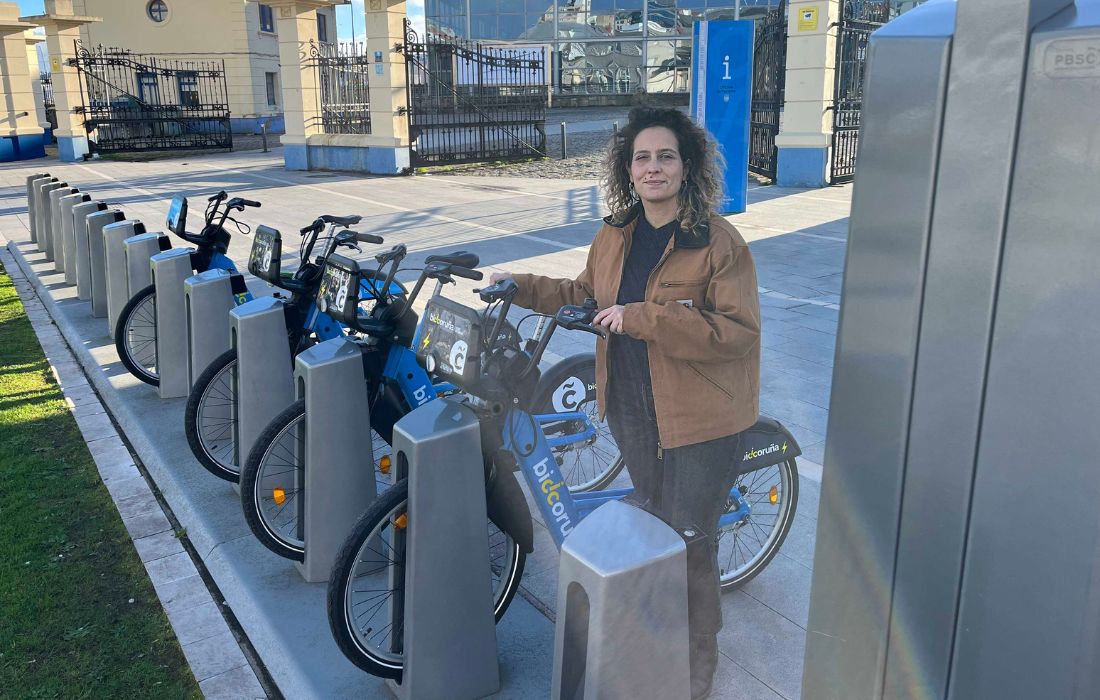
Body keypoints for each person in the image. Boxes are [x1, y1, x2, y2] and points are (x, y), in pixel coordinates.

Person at [490, 105, 761, 699]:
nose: (654, 167)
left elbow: (736, 333)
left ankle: (696, 665)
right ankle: (652, 634)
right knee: (652, 528)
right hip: (632, 407)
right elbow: (583, 295)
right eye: (643, 157)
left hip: (701, 420)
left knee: (691, 541)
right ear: (628, 170)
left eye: (666, 156)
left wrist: (644, 318)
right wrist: (521, 286)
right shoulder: (615, 234)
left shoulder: (718, 243)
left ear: (687, 167)